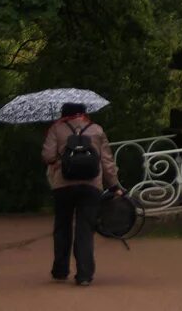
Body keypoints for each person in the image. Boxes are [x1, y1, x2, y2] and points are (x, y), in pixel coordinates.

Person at [40, 102, 121, 285]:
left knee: (62, 227)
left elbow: (47, 156)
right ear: (84, 113)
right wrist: (114, 185)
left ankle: (60, 271)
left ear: (63, 112)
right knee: (85, 229)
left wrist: (61, 154)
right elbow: (107, 161)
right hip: (91, 185)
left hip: (63, 185)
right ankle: (84, 275)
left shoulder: (56, 128)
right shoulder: (96, 129)